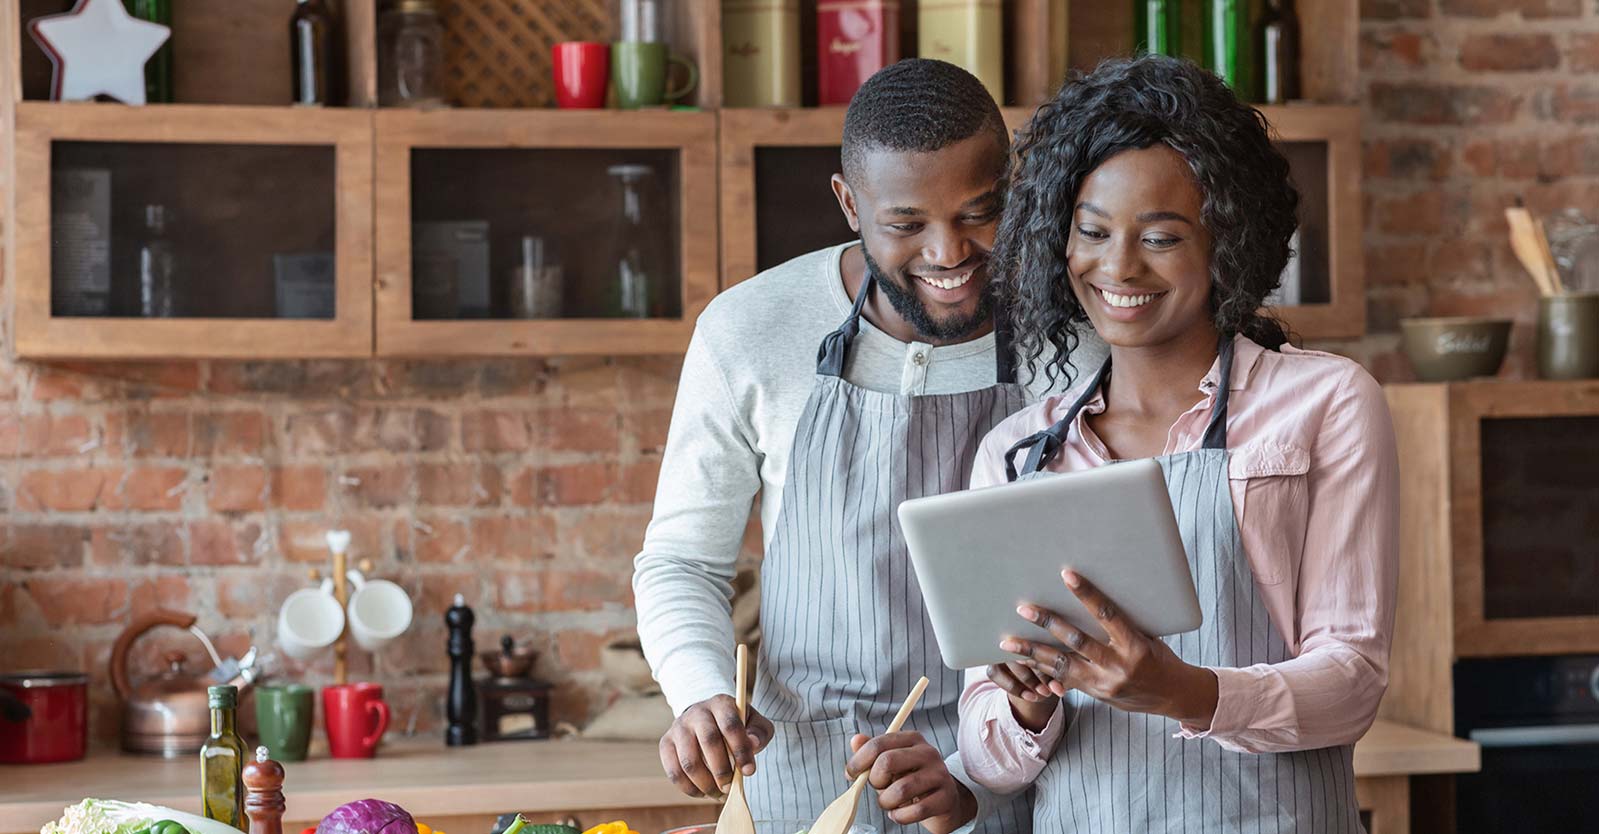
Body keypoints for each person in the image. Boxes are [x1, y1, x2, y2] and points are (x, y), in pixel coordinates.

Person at [930, 54, 1398, 832]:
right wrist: (1019, 705)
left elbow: (1353, 680)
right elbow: (990, 764)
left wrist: (1185, 692)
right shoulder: (1017, 456)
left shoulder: (1324, 403)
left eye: (1160, 237)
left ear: (1226, 241)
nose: (1117, 267)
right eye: (1092, 231)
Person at [633, 59, 1101, 833]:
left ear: (1013, 189)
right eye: (906, 224)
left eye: (979, 214)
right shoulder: (750, 330)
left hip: (1012, 772)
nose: (948, 253)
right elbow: (682, 560)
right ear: (850, 204)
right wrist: (701, 696)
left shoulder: (1078, 340)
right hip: (804, 775)